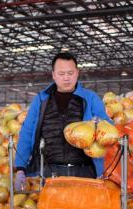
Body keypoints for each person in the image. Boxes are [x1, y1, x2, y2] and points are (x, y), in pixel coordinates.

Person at [14, 51, 111, 190]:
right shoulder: (41, 100)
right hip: (51, 172)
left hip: (85, 172)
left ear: (77, 73)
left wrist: (99, 124)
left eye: (70, 73)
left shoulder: (90, 99)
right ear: (53, 74)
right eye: (61, 74)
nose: (66, 78)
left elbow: (107, 129)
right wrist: (21, 168)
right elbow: (27, 133)